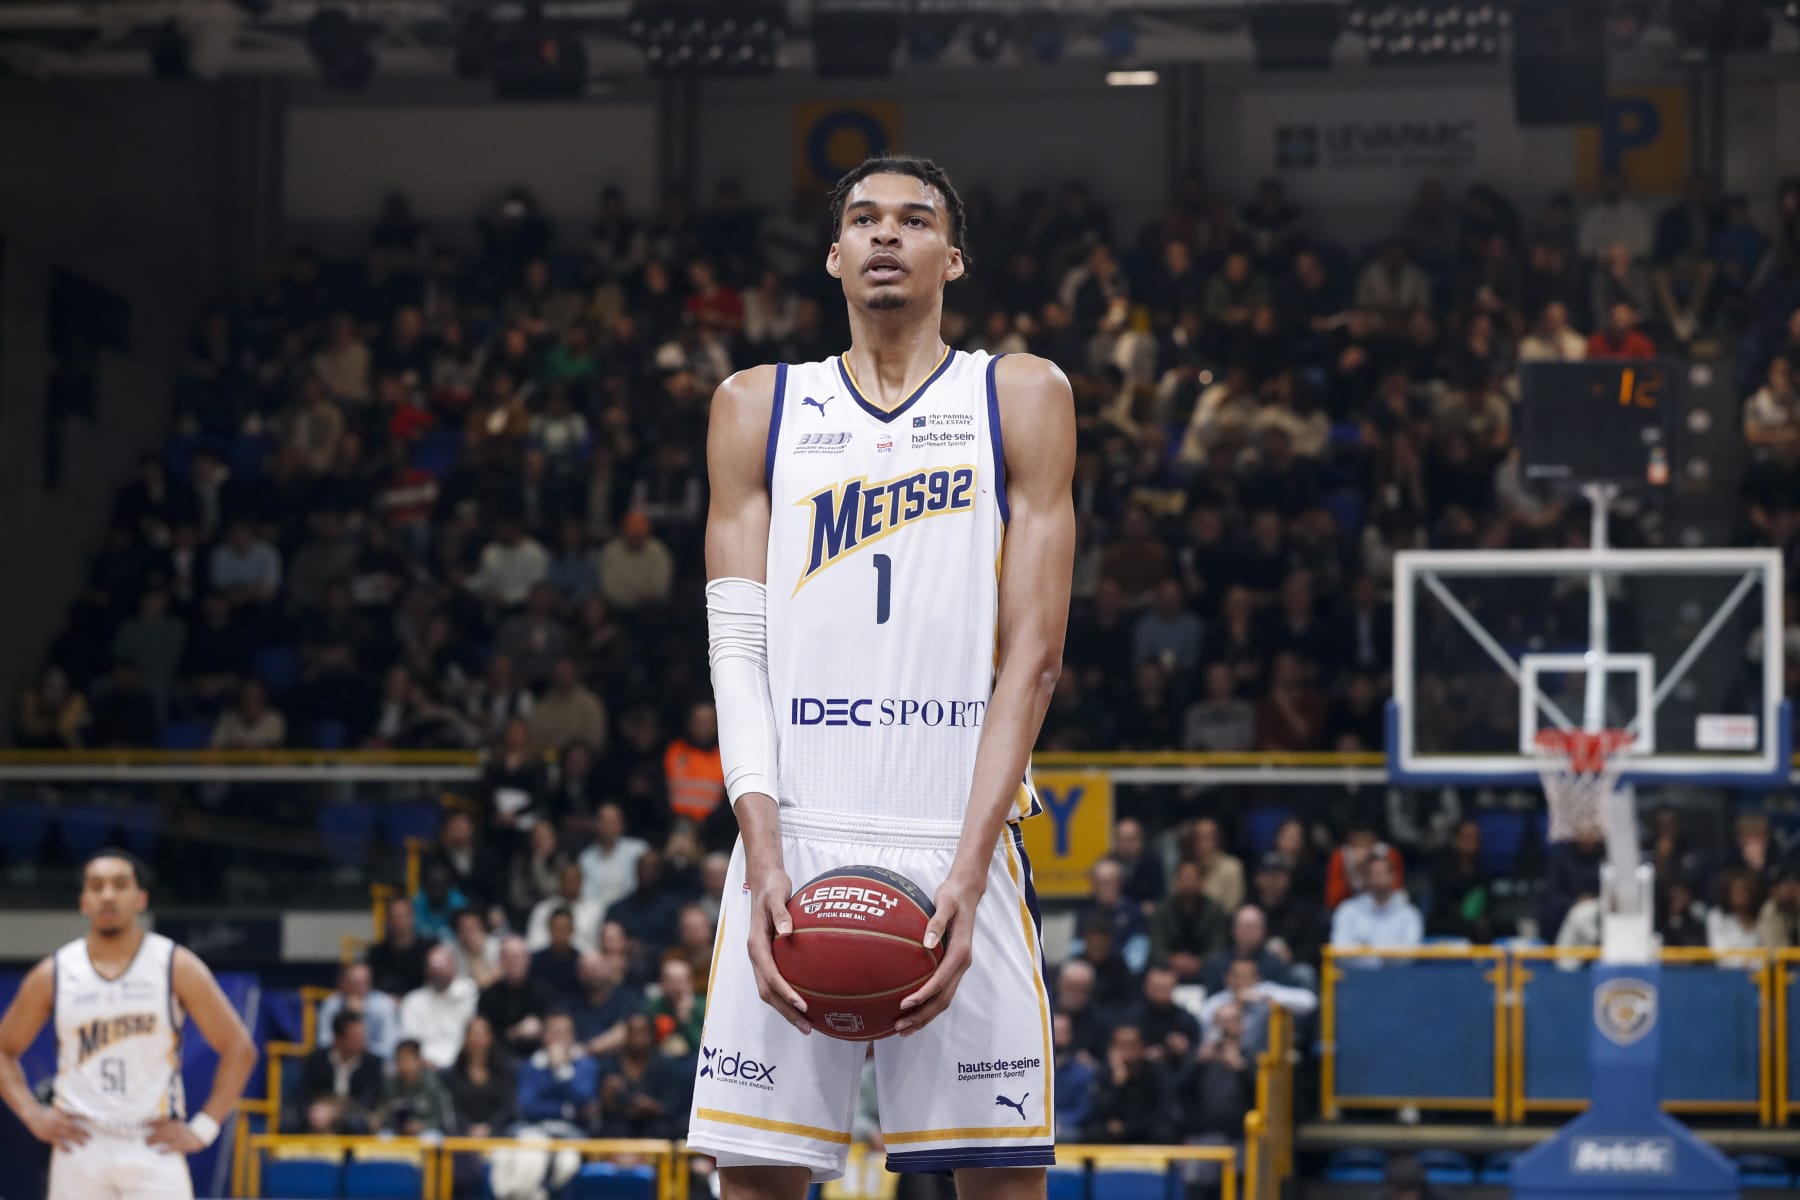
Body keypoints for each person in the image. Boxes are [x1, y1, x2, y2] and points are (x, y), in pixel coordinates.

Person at [689, 155, 1075, 1188]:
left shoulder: (1021, 395)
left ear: (953, 257)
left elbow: (1033, 661)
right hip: (795, 835)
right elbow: (739, 652)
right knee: (757, 1180)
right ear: (833, 256)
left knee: (1000, 1179)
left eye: (914, 220)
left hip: (958, 835)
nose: (887, 235)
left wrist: (969, 865)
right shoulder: (757, 406)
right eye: (864, 220)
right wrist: (763, 851)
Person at [0, 849, 258, 1199]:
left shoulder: (175, 965)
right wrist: (32, 1115)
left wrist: (203, 1129)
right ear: (83, 902)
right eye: (97, 886)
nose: (108, 894)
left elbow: (240, 1049)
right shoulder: (55, 972)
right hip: (80, 1143)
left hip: (152, 1143)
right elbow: (4, 1049)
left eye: (120, 885)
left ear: (141, 899)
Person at [296, 1011, 383, 1134]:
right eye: (355, 1036)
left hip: (354, 1112)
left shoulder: (372, 1063)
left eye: (362, 1036)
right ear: (338, 1039)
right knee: (293, 1123)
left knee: (355, 1125)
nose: (361, 1041)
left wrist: (336, 1112)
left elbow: (368, 1100)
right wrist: (313, 1111)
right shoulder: (317, 1059)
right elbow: (305, 1094)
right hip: (320, 1112)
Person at [1329, 855, 1424, 963]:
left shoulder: (1409, 914)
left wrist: (1366, 951)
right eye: (1374, 873)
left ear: (1393, 876)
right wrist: (1383, 957)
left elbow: (1410, 955)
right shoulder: (1347, 910)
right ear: (1366, 878)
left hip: (1398, 977)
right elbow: (1340, 951)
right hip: (1357, 977)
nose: (1379, 877)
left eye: (1383, 872)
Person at [400, 944, 479, 1071]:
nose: (439, 973)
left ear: (453, 967)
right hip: (426, 1066)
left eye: (443, 967)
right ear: (426, 970)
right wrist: (421, 1060)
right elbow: (410, 1040)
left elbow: (476, 1031)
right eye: (434, 968)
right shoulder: (413, 1001)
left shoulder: (469, 992)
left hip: (463, 1064)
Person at [315, 961, 401, 1061]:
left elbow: (389, 1047)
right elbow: (323, 1043)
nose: (356, 989)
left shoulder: (384, 1005)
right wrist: (347, 1016)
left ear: (370, 985)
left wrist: (359, 1047)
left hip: (374, 1063)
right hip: (339, 1060)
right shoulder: (331, 1004)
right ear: (342, 983)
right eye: (352, 983)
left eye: (362, 984)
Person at [376, 1039, 453, 1135]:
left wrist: (423, 1125)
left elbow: (442, 1118)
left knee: (429, 1138)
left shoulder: (432, 1084)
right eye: (399, 1059)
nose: (403, 1064)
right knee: (384, 1136)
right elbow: (384, 1115)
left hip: (426, 1131)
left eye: (407, 1058)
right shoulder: (390, 1085)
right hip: (398, 1132)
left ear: (418, 1060)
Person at [367, 894, 431, 998]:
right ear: (387, 920)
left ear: (412, 918)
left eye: (401, 916)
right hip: (384, 1007)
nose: (397, 921)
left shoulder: (429, 951)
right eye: (392, 916)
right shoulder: (376, 953)